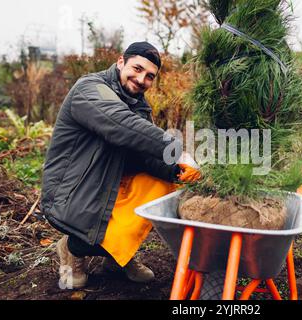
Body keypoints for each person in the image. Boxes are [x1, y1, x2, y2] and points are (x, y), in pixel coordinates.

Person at [41, 42, 200, 289]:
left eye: (149, 76)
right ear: (120, 62)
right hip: (75, 192)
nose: (141, 79)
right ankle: (72, 249)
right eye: (137, 68)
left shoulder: (139, 106)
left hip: (110, 183)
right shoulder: (92, 88)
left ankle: (119, 257)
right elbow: (119, 123)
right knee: (85, 252)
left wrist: (176, 169)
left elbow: (142, 156)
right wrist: (176, 150)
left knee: (161, 184)